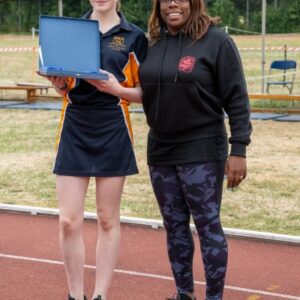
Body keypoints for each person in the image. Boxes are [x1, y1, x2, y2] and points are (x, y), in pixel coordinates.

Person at [139, 0, 252, 299]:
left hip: (202, 148)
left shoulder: (217, 42)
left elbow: (237, 98)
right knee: (174, 227)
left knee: (207, 226)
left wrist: (238, 149)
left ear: (194, 4)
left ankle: (214, 297)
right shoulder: (152, 42)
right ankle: (183, 294)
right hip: (161, 150)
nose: (172, 4)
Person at [39, 1, 147, 299]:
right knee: (68, 221)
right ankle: (75, 295)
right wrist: (59, 84)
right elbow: (64, 84)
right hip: (75, 124)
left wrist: (117, 90)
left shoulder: (134, 36)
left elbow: (145, 94)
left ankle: (100, 295)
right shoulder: (70, 31)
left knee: (107, 218)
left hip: (113, 124)